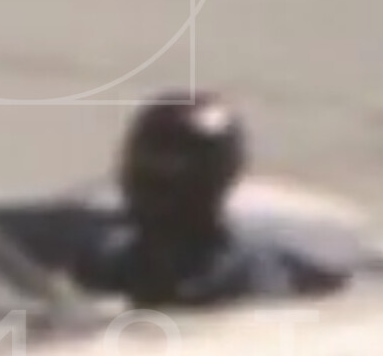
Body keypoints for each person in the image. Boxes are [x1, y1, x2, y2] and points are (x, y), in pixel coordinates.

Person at [73, 89, 299, 308]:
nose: (156, 187)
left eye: (169, 173)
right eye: (150, 165)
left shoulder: (253, 279)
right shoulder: (97, 262)